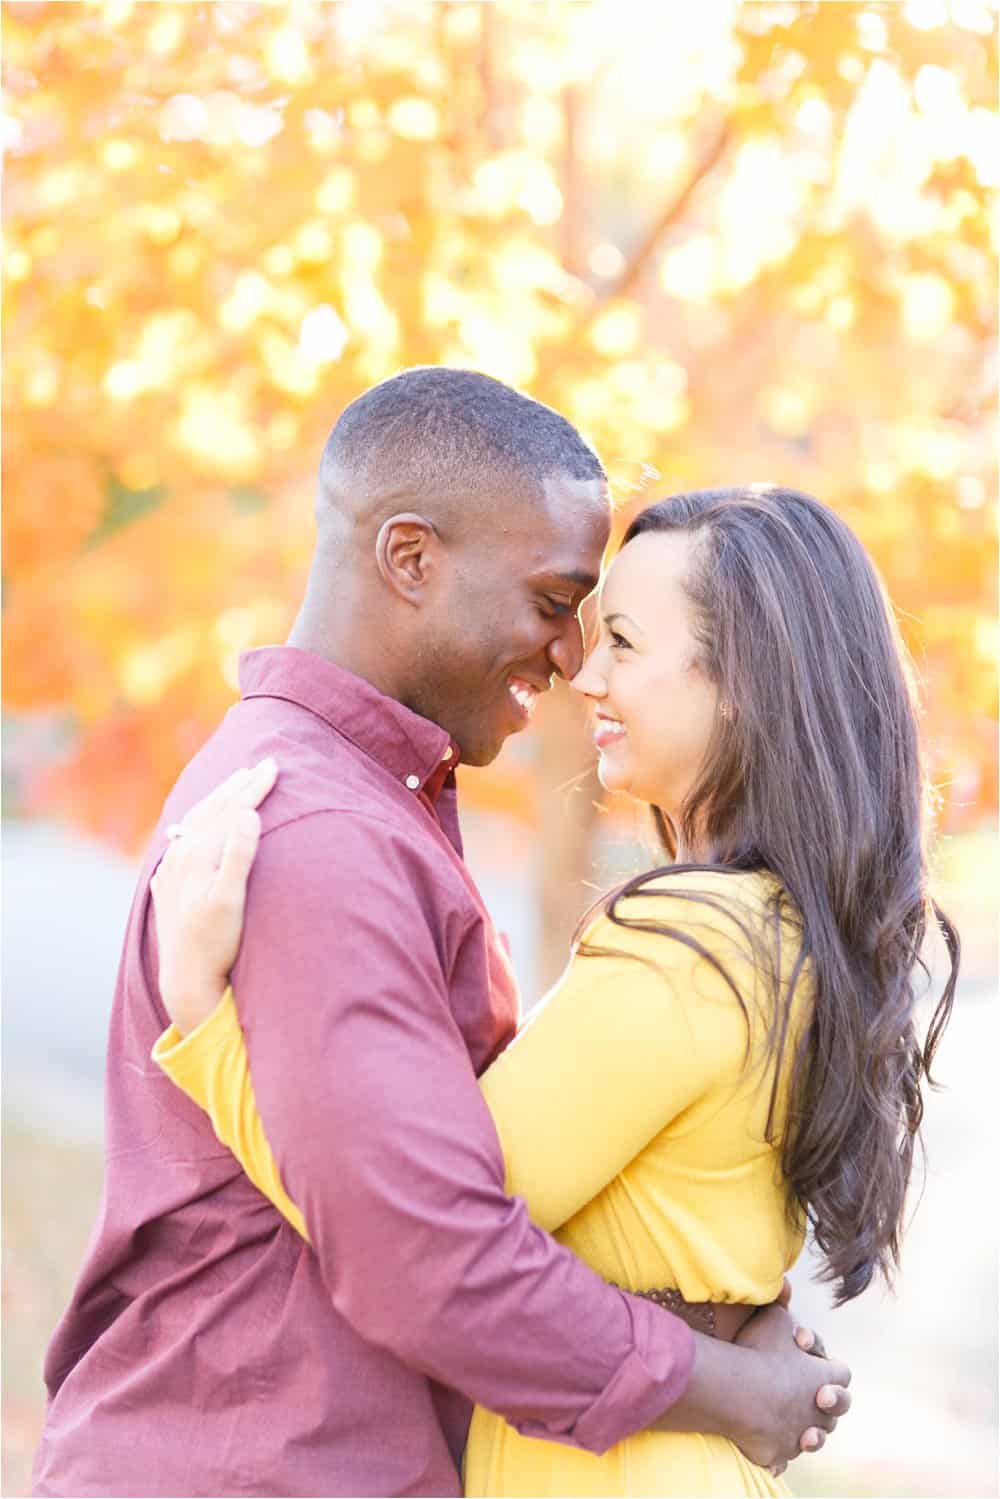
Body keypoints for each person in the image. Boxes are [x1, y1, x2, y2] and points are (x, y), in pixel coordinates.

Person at [34, 373, 850, 1499]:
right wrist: (719, 1378)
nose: (570, 661)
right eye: (558, 600)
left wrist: (711, 1311)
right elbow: (432, 1253)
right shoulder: (318, 833)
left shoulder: (370, 807)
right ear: (410, 559)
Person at [149, 482, 957, 1497]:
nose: (585, 675)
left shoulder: (689, 940)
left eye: (622, 639)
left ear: (743, 678)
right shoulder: (781, 926)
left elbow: (421, 1228)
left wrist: (205, 1020)